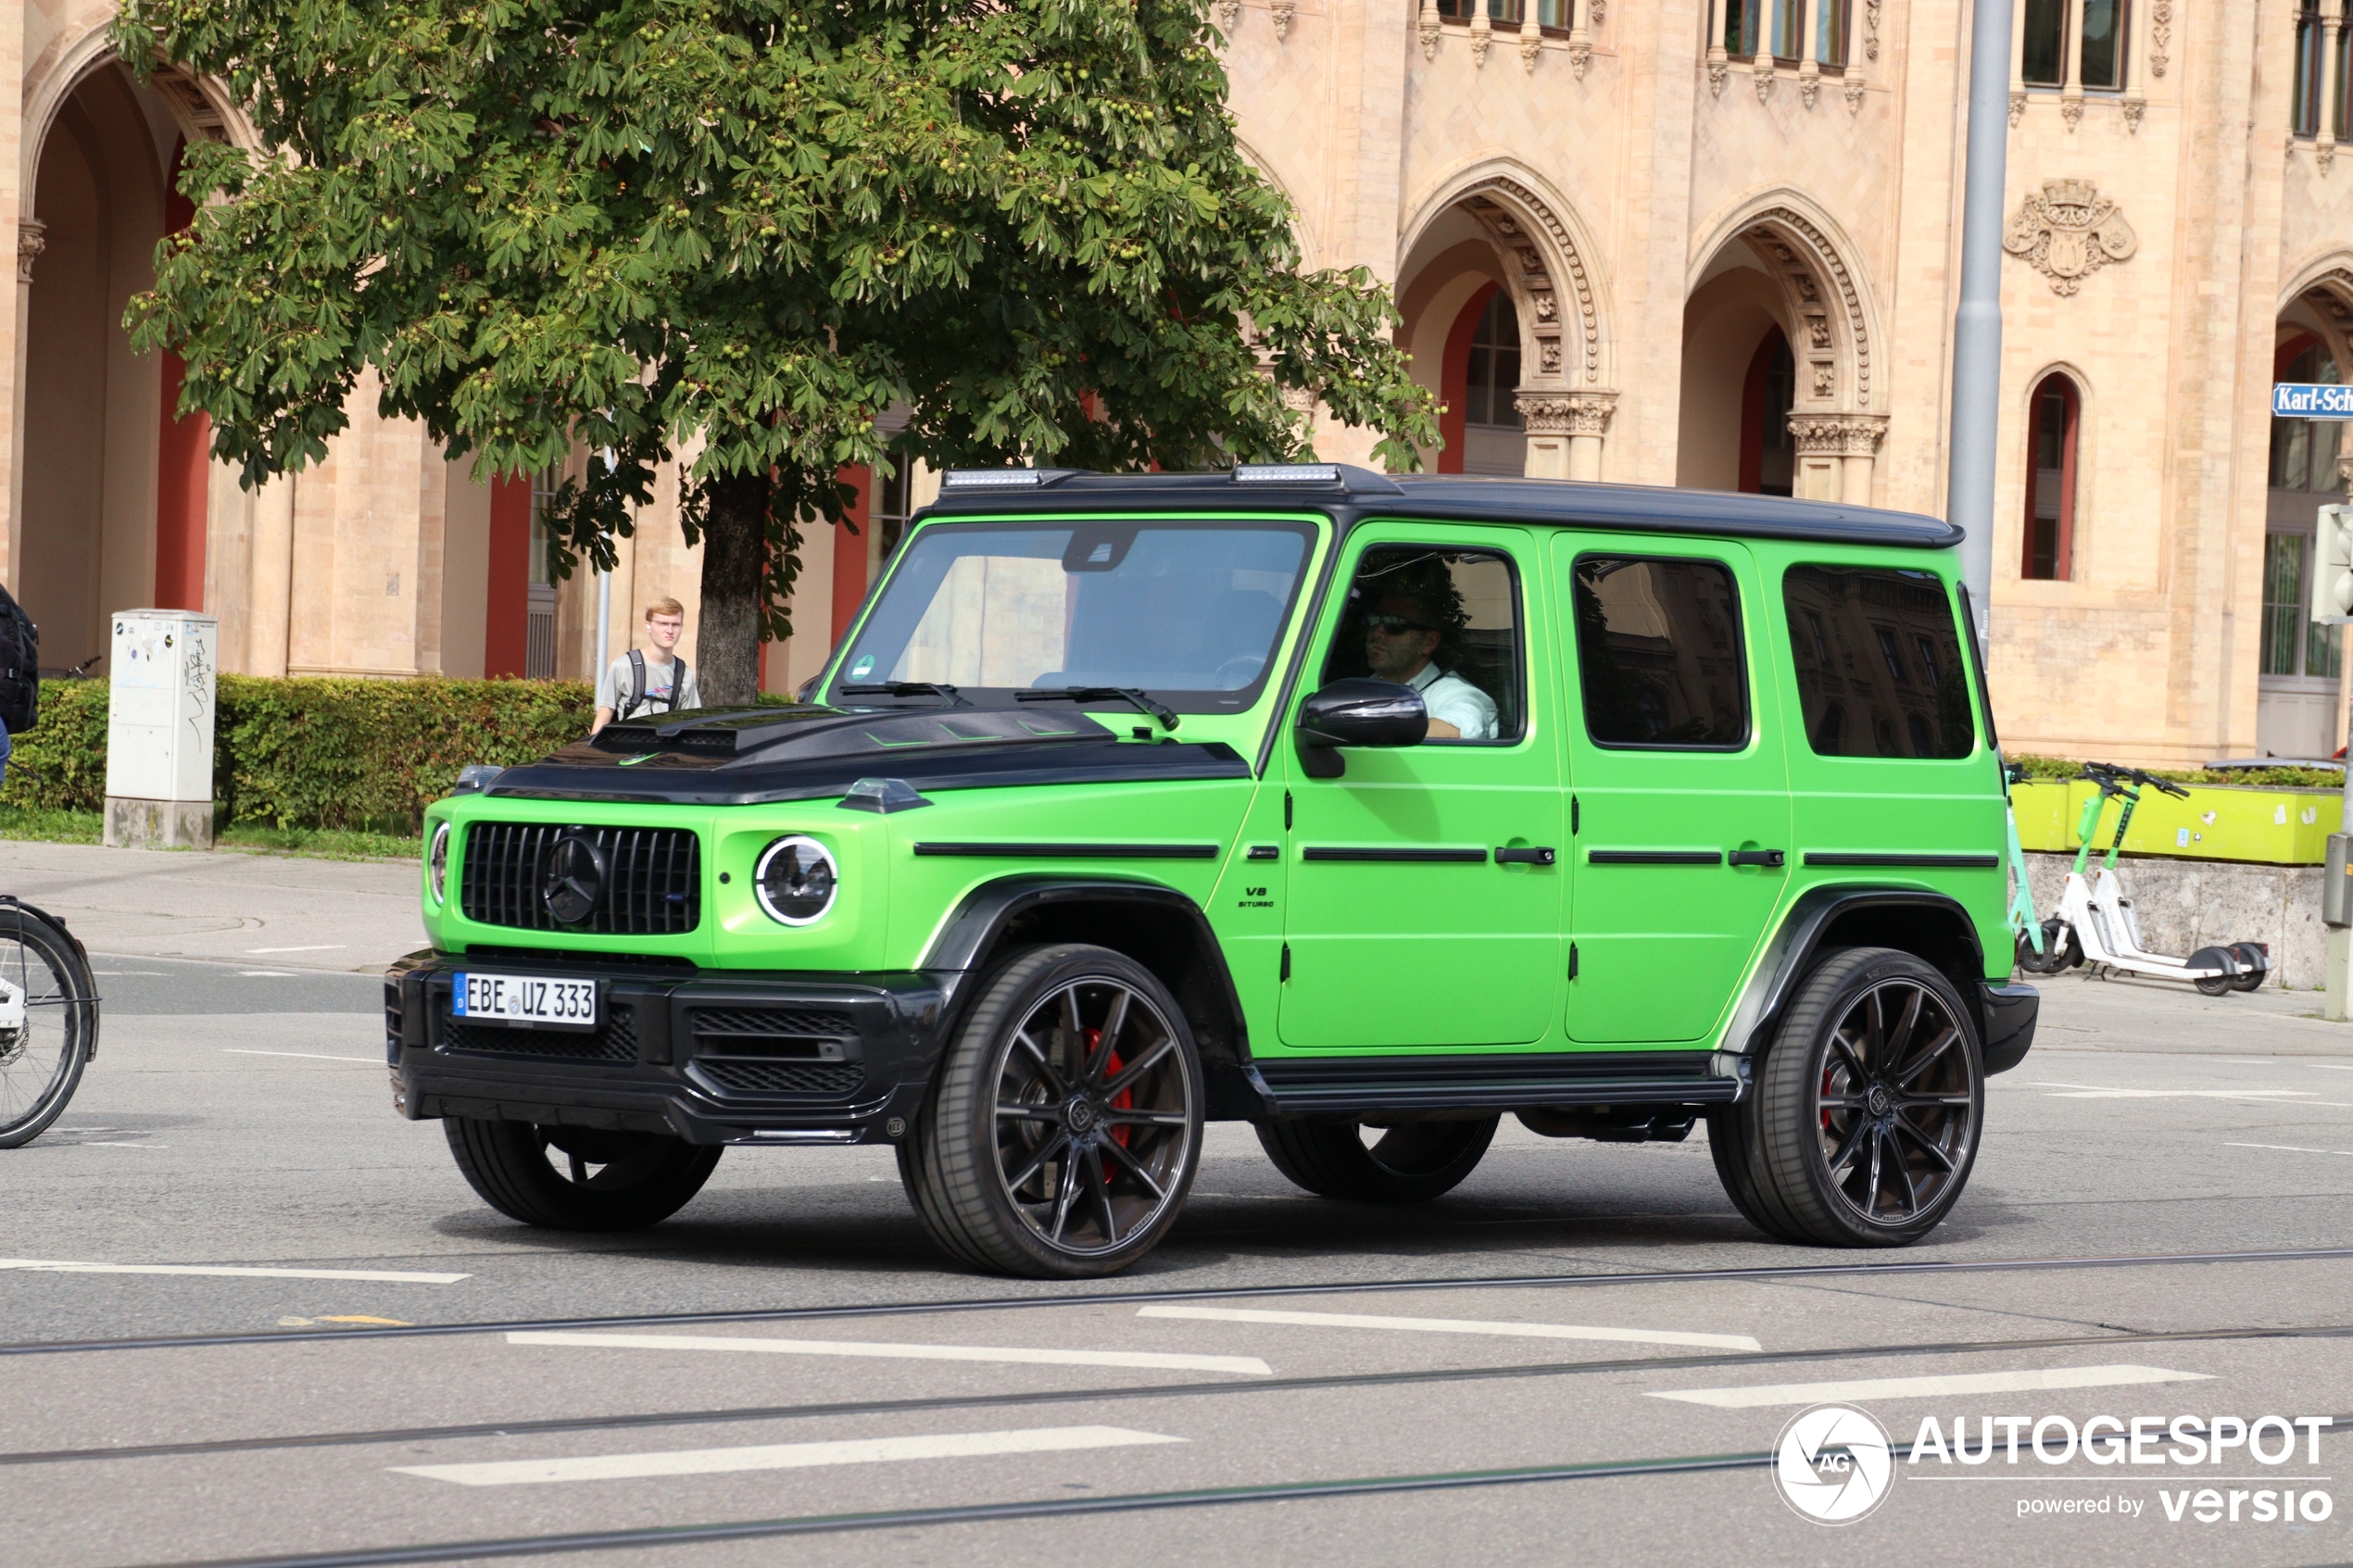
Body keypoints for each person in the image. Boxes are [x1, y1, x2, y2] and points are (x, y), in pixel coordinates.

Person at [1359, 569, 1497, 742]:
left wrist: (1361, 728)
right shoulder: (1362, 689)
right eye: (1373, 620)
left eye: (1394, 623)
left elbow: (1463, 726)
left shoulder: (1452, 692)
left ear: (1429, 642)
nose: (1376, 633)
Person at [592, 597, 701, 734]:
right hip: (627, 749)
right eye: (663, 623)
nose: (670, 630)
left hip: (665, 751)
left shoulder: (684, 674)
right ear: (648, 626)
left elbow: (692, 723)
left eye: (676, 624)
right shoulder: (622, 667)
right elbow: (603, 716)